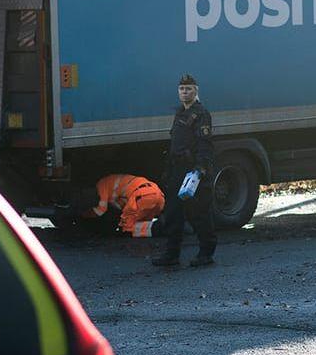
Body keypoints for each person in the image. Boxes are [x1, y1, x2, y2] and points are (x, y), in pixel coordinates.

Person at [151, 74, 217, 267]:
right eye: (181, 89)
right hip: (177, 169)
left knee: (199, 213)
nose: (184, 92)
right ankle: (171, 254)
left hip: (192, 171)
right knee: (173, 213)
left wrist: (199, 169)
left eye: (188, 89)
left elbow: (205, 144)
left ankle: (206, 253)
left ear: (196, 91)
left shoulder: (201, 114)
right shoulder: (180, 112)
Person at [84, 173, 166, 237]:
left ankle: (158, 228)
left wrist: (83, 216)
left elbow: (101, 210)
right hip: (159, 196)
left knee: (126, 229)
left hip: (142, 196)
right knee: (141, 222)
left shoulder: (102, 184)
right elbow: (123, 206)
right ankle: (164, 224)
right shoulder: (116, 184)